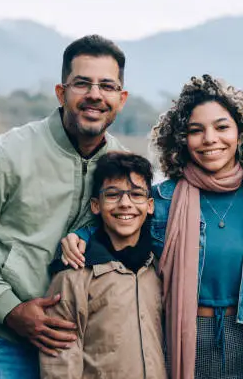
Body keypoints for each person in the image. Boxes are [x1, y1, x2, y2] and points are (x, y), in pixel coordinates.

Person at [0, 34, 129, 378]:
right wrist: (9, 309)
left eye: (107, 86)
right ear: (61, 92)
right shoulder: (9, 152)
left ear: (121, 98)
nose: (95, 95)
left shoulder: (122, 167)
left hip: (75, 344)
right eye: (82, 83)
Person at [62, 74, 243, 379]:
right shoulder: (162, 201)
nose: (210, 139)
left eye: (222, 127)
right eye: (195, 130)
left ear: (241, 134)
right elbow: (114, 224)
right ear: (182, 140)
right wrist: (79, 236)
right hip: (183, 334)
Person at [40, 151, 166, 379]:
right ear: (96, 205)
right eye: (113, 195)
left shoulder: (159, 269)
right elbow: (59, 362)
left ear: (150, 206)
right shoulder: (73, 276)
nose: (125, 204)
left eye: (136, 194)